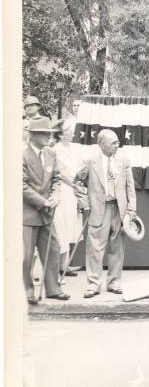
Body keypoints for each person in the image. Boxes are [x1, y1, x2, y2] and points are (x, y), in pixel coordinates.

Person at [74, 129, 138, 297]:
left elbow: (130, 186)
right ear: (101, 145)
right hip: (97, 210)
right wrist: (85, 204)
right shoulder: (89, 160)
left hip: (119, 210)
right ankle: (93, 285)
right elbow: (77, 183)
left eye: (118, 142)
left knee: (117, 247)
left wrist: (131, 210)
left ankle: (114, 282)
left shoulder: (123, 160)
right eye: (113, 143)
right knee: (95, 248)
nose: (118, 145)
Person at [23, 117, 69, 304]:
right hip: (27, 214)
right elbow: (21, 185)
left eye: (48, 133)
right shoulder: (23, 156)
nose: (47, 137)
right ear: (32, 135)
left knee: (52, 249)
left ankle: (53, 289)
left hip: (47, 213)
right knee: (25, 256)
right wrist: (43, 202)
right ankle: (26, 291)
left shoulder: (50, 153)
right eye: (43, 133)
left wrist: (56, 196)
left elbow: (56, 179)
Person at [51, 119, 83, 278]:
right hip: (63, 191)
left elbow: (77, 170)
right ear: (61, 134)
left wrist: (78, 185)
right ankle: (58, 265)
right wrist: (74, 185)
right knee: (61, 226)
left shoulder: (74, 148)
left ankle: (65, 265)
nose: (72, 133)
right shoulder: (55, 150)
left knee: (71, 224)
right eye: (69, 130)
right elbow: (60, 174)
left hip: (73, 191)